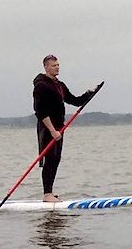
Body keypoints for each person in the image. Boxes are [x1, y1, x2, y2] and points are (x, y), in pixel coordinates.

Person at [32, 55, 99, 202]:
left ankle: (50, 192)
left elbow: (74, 100)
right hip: (47, 128)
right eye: (54, 65)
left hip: (59, 128)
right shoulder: (41, 85)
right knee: (50, 159)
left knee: (56, 159)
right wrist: (52, 131)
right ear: (46, 67)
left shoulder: (59, 85)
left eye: (58, 65)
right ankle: (47, 194)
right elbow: (40, 111)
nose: (57, 67)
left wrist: (90, 93)